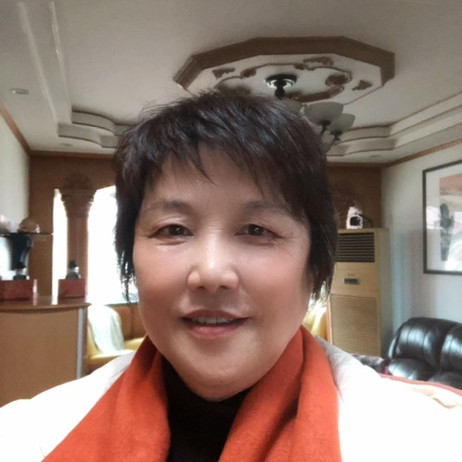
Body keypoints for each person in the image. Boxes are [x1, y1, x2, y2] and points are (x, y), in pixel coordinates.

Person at [1, 91, 461, 462]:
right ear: (131, 259)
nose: (211, 273)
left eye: (257, 230)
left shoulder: (433, 439)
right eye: (173, 229)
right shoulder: (29, 437)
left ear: (314, 266)